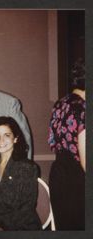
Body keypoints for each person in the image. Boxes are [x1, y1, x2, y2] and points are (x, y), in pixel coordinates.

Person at [0, 117, 41, 231]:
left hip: (23, 226)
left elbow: (26, 209)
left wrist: (2, 228)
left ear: (15, 138)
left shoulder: (28, 168)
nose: (1, 140)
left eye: (7, 135)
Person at [48, 58, 85, 230]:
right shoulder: (83, 107)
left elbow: (53, 142)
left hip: (58, 174)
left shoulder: (60, 103)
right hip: (77, 181)